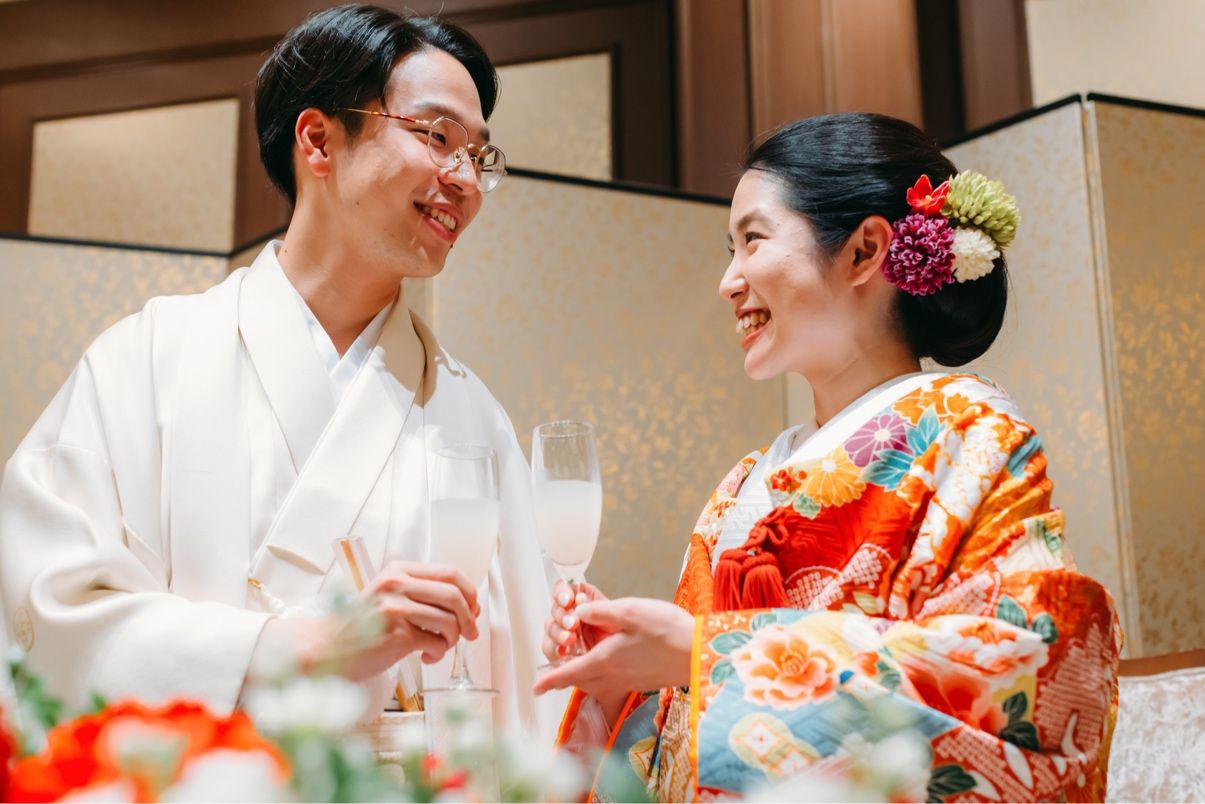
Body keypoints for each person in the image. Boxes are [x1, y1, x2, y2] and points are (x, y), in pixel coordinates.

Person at [0, 4, 561, 738]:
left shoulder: (471, 418)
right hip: (190, 775)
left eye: (479, 156)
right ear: (318, 140)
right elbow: (46, 612)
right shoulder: (144, 361)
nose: (466, 181)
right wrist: (298, 648)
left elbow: (532, 691)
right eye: (437, 137)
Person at [535, 113, 1121, 801]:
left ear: (864, 250)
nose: (728, 281)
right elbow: (683, 717)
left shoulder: (972, 435)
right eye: (730, 249)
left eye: (753, 240)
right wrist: (622, 676)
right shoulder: (742, 483)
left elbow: (1032, 673)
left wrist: (707, 654)